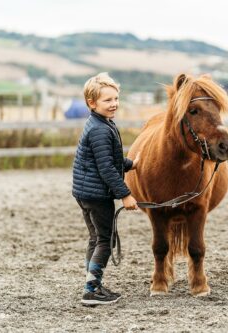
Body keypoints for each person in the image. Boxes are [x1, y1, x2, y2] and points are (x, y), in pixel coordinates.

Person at [72, 73, 139, 306]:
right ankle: (90, 291)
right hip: (96, 195)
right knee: (104, 241)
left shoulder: (100, 123)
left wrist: (130, 164)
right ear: (92, 103)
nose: (114, 104)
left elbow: (108, 158)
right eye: (107, 100)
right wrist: (126, 195)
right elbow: (106, 169)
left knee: (95, 238)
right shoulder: (100, 129)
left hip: (85, 192)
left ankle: (92, 282)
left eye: (116, 98)